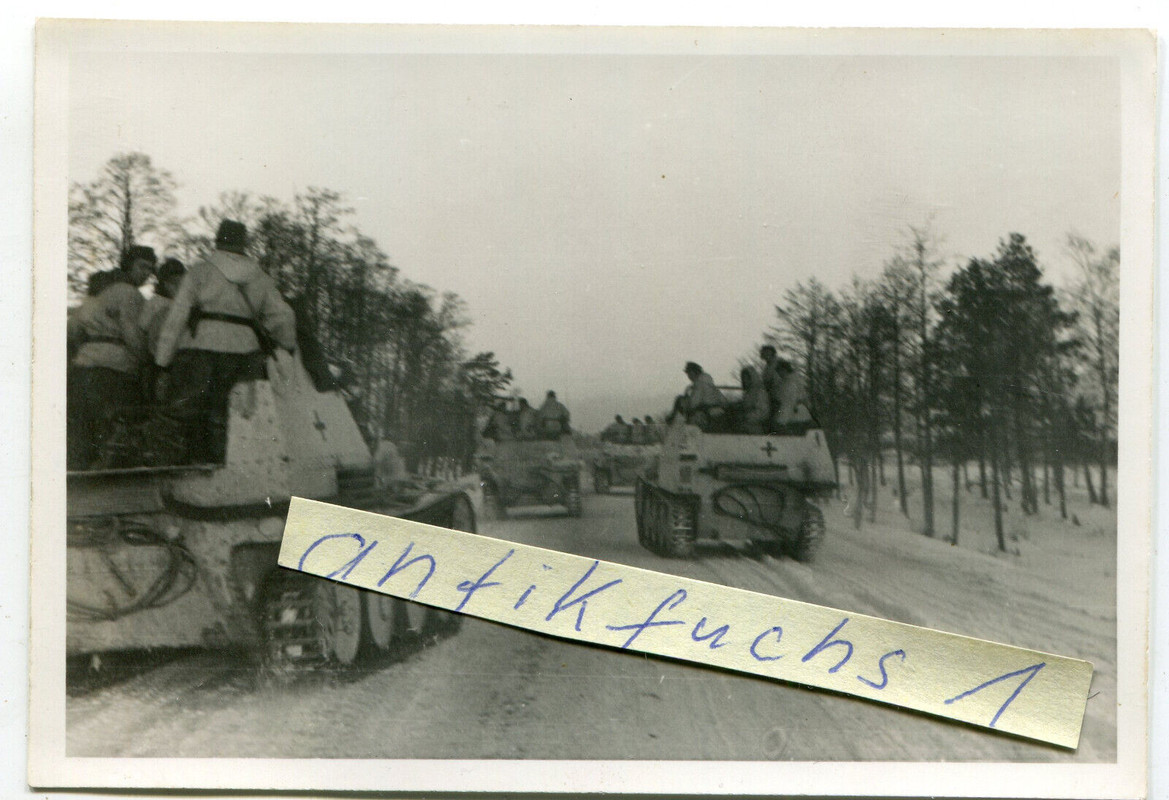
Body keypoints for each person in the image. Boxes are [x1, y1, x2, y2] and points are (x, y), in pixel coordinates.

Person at [149, 220, 297, 465]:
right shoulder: (260, 277)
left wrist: (162, 362)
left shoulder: (200, 271)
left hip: (201, 348)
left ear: (217, 241)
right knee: (236, 414)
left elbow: (176, 318)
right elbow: (283, 316)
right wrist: (286, 345)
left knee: (191, 411)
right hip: (246, 352)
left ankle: (187, 468)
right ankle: (229, 468)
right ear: (243, 244)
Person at [66, 246, 156, 469]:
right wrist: (145, 361)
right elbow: (132, 334)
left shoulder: (95, 295)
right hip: (113, 369)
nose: (147, 273)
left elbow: (72, 330)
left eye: (151, 269)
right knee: (114, 428)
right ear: (128, 264)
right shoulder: (129, 293)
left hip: (83, 366)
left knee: (81, 429)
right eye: (142, 266)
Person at [138, 258, 186, 401]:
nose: (178, 287)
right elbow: (143, 326)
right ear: (165, 283)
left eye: (181, 283)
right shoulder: (156, 302)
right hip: (157, 359)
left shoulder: (180, 304)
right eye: (174, 283)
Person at [680, 361, 727, 431]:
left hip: (706, 414)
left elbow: (693, 403)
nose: (689, 376)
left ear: (694, 372)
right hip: (718, 411)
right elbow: (723, 400)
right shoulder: (710, 384)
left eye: (689, 373)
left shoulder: (698, 385)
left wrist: (684, 404)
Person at [734, 365, 771, 434]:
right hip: (746, 423)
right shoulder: (748, 393)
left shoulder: (760, 391)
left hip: (755, 426)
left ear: (752, 378)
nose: (745, 380)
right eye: (743, 378)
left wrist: (746, 417)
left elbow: (762, 412)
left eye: (747, 378)